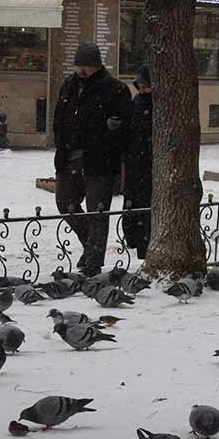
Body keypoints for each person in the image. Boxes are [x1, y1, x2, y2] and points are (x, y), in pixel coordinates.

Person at [53, 42, 133, 277]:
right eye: (79, 66)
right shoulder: (69, 85)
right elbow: (59, 116)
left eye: (86, 67)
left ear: (96, 65)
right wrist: (61, 140)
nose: (81, 71)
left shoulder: (115, 89)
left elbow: (124, 127)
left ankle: (93, 263)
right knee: (65, 203)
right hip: (69, 156)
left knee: (97, 212)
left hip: (99, 161)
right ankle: (92, 247)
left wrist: (111, 133)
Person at [122, 65, 153, 259]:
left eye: (145, 85)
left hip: (147, 163)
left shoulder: (155, 104)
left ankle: (144, 243)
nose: (142, 89)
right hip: (136, 161)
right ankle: (136, 240)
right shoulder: (137, 102)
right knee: (134, 205)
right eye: (140, 85)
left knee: (145, 207)